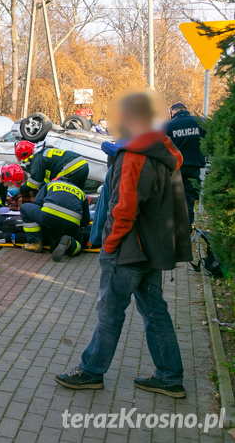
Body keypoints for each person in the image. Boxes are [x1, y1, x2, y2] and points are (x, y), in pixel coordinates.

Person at [55, 90, 192, 398]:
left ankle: (91, 371)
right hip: (151, 251)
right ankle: (170, 376)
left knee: (110, 312)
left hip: (127, 251)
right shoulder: (160, 151)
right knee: (156, 311)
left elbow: (125, 207)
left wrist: (111, 244)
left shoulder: (134, 155)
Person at [19, 178, 91, 260]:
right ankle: (71, 243)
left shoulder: (51, 184)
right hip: (71, 223)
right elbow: (85, 221)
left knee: (24, 208)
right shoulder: (81, 192)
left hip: (48, 216)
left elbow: (37, 202)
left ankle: (35, 242)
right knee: (79, 244)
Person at [165, 102, 205, 225]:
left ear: (172, 112)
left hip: (175, 168)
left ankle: (173, 229)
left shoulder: (168, 125)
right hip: (194, 167)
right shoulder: (201, 122)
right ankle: (187, 229)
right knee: (189, 199)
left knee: (173, 199)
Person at [15, 140, 89, 192]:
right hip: (83, 164)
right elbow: (46, 180)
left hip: (71, 167)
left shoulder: (37, 159)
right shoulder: (44, 151)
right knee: (78, 192)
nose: (28, 163)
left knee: (59, 191)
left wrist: (22, 189)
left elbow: (34, 182)